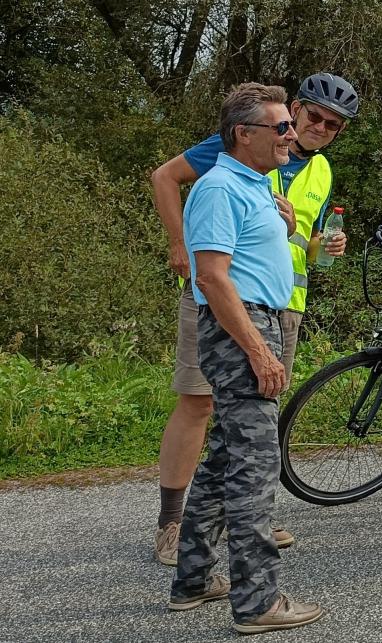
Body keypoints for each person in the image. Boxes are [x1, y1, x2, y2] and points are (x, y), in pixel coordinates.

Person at [150, 73, 358, 566]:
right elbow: (165, 177)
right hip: (219, 295)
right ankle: (172, 523)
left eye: (334, 125)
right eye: (314, 117)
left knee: (254, 415)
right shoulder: (248, 142)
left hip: (283, 303)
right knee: (200, 403)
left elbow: (300, 242)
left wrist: (320, 246)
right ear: (296, 111)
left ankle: (244, 514)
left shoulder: (321, 171)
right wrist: (179, 245)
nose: (320, 128)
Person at [167, 83, 325, 633]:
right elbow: (211, 276)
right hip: (243, 328)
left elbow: (253, 251)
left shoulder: (254, 183)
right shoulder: (218, 188)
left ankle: (192, 579)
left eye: (289, 125)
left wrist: (282, 224)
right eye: (280, 127)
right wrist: (258, 350)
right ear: (243, 134)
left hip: (258, 320)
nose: (291, 134)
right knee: (255, 469)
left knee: (224, 459)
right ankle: (258, 602)